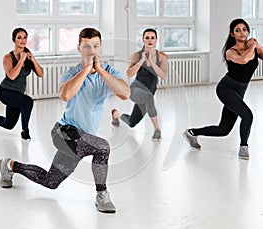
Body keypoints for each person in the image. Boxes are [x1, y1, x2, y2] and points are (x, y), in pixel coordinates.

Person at [0, 28, 130, 214]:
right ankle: (102, 194)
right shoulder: (71, 72)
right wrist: (86, 69)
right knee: (102, 147)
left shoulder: (108, 72)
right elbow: (66, 94)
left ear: (100, 48)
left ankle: (10, 165)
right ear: (78, 48)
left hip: (83, 139)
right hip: (64, 133)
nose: (91, 50)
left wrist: (99, 70)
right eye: (86, 46)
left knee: (50, 181)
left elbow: (125, 93)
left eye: (95, 46)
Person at [183, 18, 263, 160]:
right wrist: (252, 45)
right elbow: (243, 60)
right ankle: (243, 148)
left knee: (223, 130)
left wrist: (256, 45)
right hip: (226, 88)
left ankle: (191, 132)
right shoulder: (230, 52)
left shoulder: (254, 47)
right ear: (232, 34)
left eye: (244, 29)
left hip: (239, 91)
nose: (242, 33)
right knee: (248, 115)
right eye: (237, 30)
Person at [0, 27, 44, 140]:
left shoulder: (28, 55)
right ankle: (25, 131)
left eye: (25, 37)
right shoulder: (8, 57)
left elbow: (41, 74)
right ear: (14, 40)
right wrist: (21, 60)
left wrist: (33, 60)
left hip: (17, 95)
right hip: (5, 92)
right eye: (19, 37)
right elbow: (12, 76)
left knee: (8, 125)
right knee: (28, 102)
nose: (22, 40)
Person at [111, 28, 168, 141]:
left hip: (149, 91)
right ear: (143, 40)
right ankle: (157, 130)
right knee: (149, 97)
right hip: (135, 89)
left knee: (132, 122)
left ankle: (116, 115)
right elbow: (129, 73)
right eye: (147, 38)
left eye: (152, 38)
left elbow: (163, 76)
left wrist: (151, 61)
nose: (149, 40)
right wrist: (142, 61)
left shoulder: (162, 56)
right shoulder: (137, 55)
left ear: (156, 40)